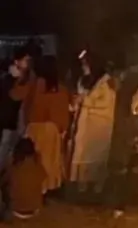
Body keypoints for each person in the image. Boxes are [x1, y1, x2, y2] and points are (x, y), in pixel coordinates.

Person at [13, 56, 72, 192]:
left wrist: (22, 76)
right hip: (52, 130)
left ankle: (35, 189)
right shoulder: (60, 88)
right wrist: (62, 130)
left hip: (35, 128)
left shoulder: (34, 85)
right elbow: (63, 111)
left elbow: (15, 95)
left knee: (35, 160)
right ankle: (48, 189)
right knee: (50, 162)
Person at [69, 56, 118, 192]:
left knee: (96, 155)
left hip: (99, 125)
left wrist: (85, 101)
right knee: (82, 152)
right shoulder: (84, 80)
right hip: (84, 123)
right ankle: (81, 184)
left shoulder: (107, 82)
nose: (84, 67)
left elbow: (107, 102)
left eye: (86, 64)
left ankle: (97, 186)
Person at [1, 46, 33, 173]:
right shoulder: (9, 79)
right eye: (25, 60)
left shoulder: (27, 78)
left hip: (18, 123)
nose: (28, 63)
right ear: (17, 61)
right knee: (4, 152)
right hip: (8, 123)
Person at [1, 137, 47, 219]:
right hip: (34, 209)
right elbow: (44, 176)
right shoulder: (37, 165)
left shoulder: (13, 167)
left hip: (15, 210)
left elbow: (2, 181)